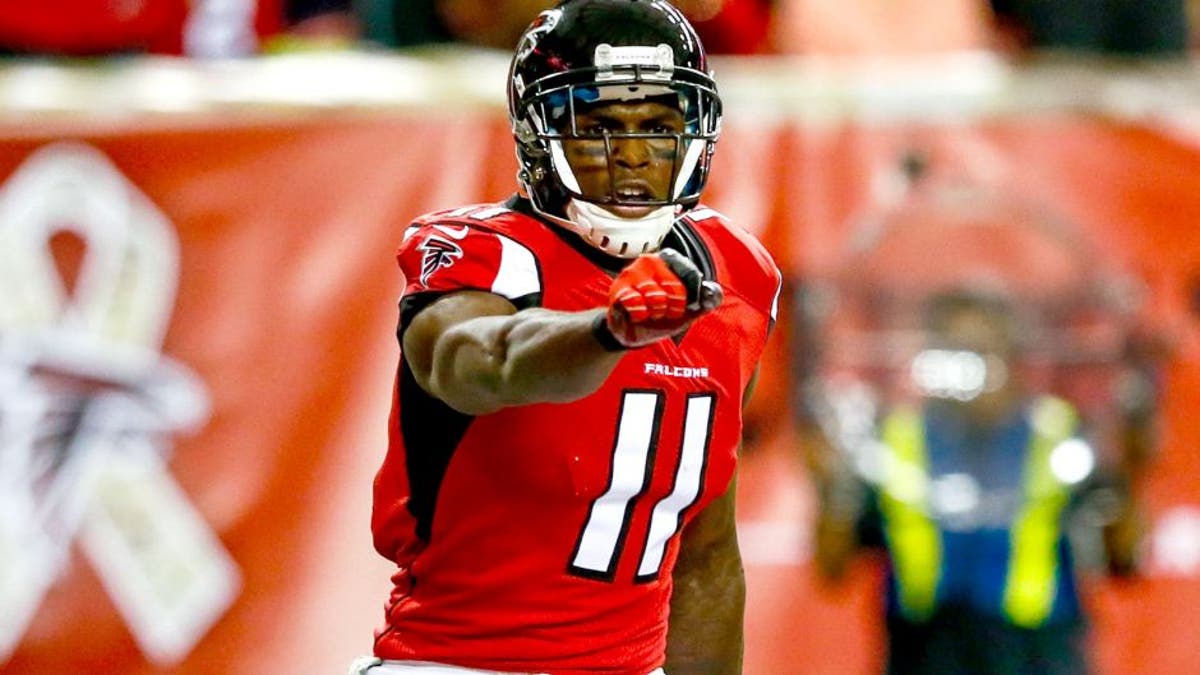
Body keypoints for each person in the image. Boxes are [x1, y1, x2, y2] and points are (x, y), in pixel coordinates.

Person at [352, 1, 782, 673]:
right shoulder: (484, 251)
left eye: (660, 126)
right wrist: (607, 331)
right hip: (456, 662)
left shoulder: (736, 272)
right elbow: (481, 363)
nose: (634, 154)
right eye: (601, 127)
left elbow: (703, 555)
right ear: (540, 133)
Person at [809, 289, 1150, 675]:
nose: (970, 369)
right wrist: (830, 477)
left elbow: (1124, 561)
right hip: (925, 651)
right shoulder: (896, 442)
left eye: (983, 351)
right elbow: (832, 566)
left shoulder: (1061, 436)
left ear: (1014, 358)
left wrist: (1129, 462)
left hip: (1038, 652)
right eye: (954, 350)